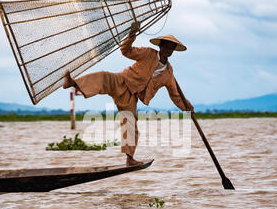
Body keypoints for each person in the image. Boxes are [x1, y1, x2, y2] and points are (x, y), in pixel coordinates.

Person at [63, 22, 194, 166]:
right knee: (103, 76)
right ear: (160, 46)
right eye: (166, 46)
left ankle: (129, 159)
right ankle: (73, 83)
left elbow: (175, 95)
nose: (167, 50)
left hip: (132, 96)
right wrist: (131, 35)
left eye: (171, 48)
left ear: (173, 50)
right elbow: (126, 51)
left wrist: (187, 107)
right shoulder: (148, 53)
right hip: (122, 80)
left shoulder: (168, 73)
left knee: (130, 124)